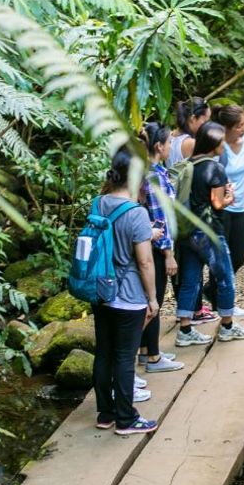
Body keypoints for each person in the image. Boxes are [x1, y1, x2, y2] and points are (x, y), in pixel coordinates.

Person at [91, 145, 160, 435]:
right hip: (128, 296)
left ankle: (105, 414)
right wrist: (153, 299)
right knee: (124, 357)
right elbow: (144, 262)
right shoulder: (136, 213)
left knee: (104, 353)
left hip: (100, 291)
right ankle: (126, 419)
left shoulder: (98, 203)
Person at [174, 122, 244, 346]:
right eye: (221, 142)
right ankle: (227, 326)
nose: (223, 146)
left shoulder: (189, 164)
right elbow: (217, 203)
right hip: (209, 232)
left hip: (187, 232)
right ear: (212, 144)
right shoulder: (215, 168)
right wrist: (230, 197)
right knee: (225, 277)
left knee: (190, 280)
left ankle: (185, 330)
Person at [137, 122, 185, 373]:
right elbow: (160, 217)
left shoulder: (149, 171)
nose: (171, 147)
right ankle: (154, 357)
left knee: (149, 298)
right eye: (169, 143)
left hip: (147, 245)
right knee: (153, 300)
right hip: (155, 248)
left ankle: (146, 351)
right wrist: (169, 254)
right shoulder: (154, 176)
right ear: (158, 146)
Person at [215, 104, 244, 316]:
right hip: (223, 208)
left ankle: (212, 292)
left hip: (241, 206)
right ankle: (223, 302)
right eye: (239, 126)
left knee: (238, 257)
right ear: (226, 128)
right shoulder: (219, 147)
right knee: (222, 257)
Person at [167, 97, 210, 168]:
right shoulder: (191, 143)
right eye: (205, 121)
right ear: (193, 118)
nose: (207, 125)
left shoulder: (169, 135)